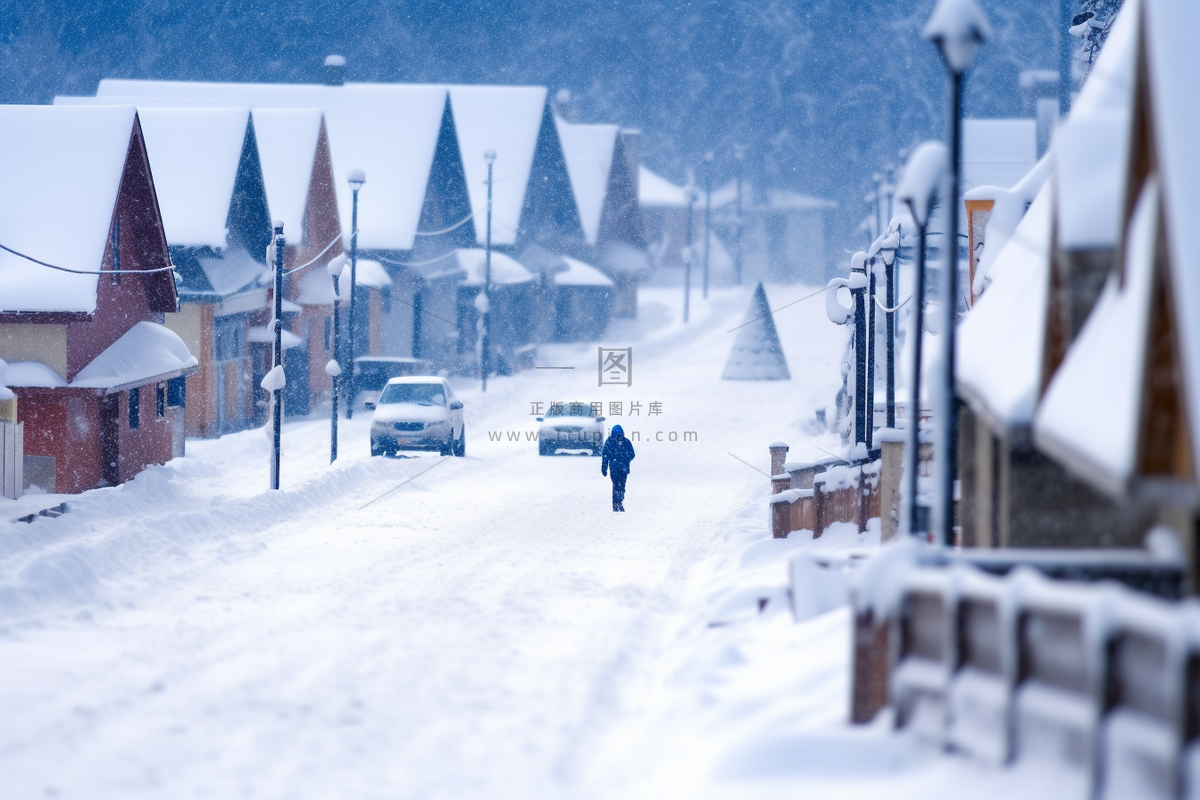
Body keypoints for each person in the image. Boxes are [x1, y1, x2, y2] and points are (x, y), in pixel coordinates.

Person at [601, 424, 635, 512]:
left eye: (620, 435)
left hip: (623, 469)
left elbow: (632, 454)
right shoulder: (609, 442)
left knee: (622, 486)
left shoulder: (626, 442)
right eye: (617, 435)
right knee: (616, 485)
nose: (619, 437)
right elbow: (605, 456)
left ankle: (620, 500)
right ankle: (616, 503)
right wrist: (604, 467)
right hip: (614, 469)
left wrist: (626, 458)